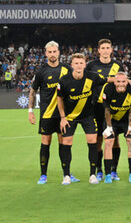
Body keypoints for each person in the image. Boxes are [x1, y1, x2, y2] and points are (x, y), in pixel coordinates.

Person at [28, 41, 79, 185]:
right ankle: (43, 175)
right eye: (49, 52)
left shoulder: (67, 69)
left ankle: (67, 174)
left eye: (54, 51)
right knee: (46, 142)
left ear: (58, 52)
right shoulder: (41, 71)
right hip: (47, 114)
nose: (52, 54)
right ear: (46, 53)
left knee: (64, 143)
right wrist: (30, 111)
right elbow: (33, 92)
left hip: (64, 115)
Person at [57, 53, 105, 185]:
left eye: (81, 63)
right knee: (66, 142)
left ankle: (92, 175)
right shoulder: (64, 80)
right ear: (71, 65)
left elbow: (108, 79)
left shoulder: (92, 77)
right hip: (70, 117)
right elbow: (59, 99)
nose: (79, 65)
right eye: (76, 63)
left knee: (92, 142)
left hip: (88, 116)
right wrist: (62, 117)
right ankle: (66, 175)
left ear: (85, 64)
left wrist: (123, 79)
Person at [86, 39, 124, 182]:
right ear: (99, 50)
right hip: (96, 106)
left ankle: (114, 169)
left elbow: (122, 83)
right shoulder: (91, 65)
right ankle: (99, 169)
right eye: (103, 47)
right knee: (98, 140)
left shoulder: (117, 65)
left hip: (113, 107)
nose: (106, 50)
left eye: (108, 47)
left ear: (111, 49)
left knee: (114, 139)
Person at [103, 72, 131, 183]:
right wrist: (109, 127)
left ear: (127, 81)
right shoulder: (108, 89)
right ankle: (108, 174)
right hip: (112, 119)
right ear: (114, 82)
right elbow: (107, 110)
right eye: (118, 81)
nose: (121, 84)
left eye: (123, 81)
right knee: (109, 142)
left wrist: (130, 126)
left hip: (126, 120)